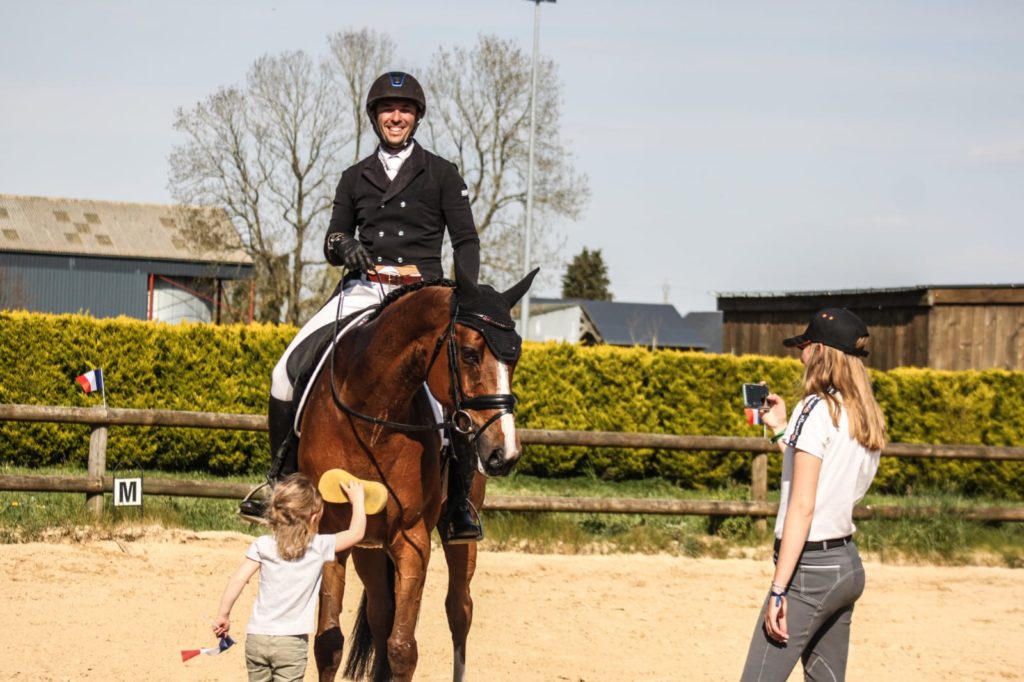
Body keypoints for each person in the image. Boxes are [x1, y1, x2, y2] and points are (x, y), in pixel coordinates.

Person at [242, 70, 484, 542]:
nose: (397, 117)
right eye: (388, 110)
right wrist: (343, 246)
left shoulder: (442, 173)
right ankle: (283, 482)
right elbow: (333, 236)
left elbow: (466, 241)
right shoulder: (355, 177)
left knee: (453, 395)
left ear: (416, 116)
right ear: (376, 117)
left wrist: (463, 295)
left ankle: (457, 506)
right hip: (364, 289)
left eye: (405, 110)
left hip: (420, 295)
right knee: (284, 372)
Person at [739, 308, 887, 682]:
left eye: (805, 346)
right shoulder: (865, 415)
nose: (800, 354)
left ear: (820, 351)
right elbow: (826, 482)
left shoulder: (815, 406)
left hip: (810, 569)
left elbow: (803, 506)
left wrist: (778, 590)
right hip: (846, 564)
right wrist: (780, 432)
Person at [215, 473, 366, 681]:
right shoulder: (318, 547)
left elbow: (238, 579)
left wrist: (223, 614)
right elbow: (356, 533)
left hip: (257, 639)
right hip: (290, 643)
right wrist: (358, 501)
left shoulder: (263, 545)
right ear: (314, 518)